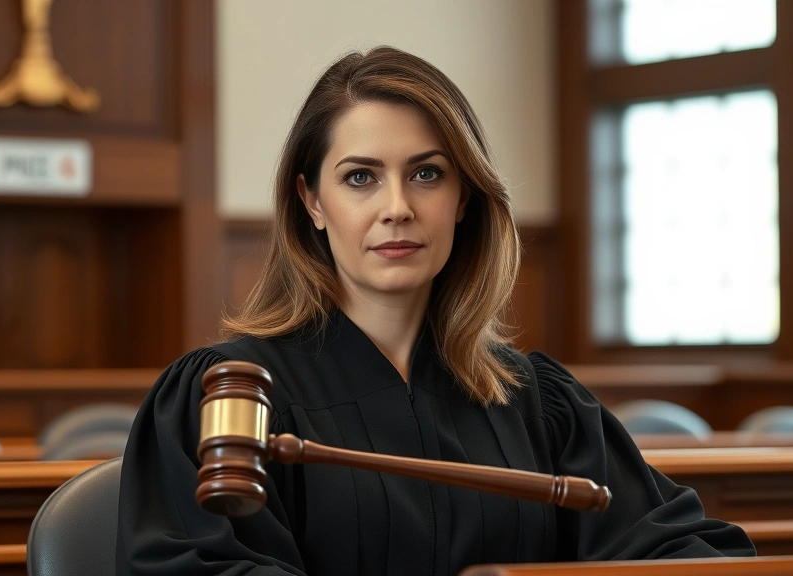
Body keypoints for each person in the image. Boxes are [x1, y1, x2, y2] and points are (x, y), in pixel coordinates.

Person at [116, 46, 755, 576]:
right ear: (311, 201)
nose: (397, 207)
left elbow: (683, 552)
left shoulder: (535, 402)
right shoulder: (226, 397)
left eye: (426, 175)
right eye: (360, 177)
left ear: (464, 198)